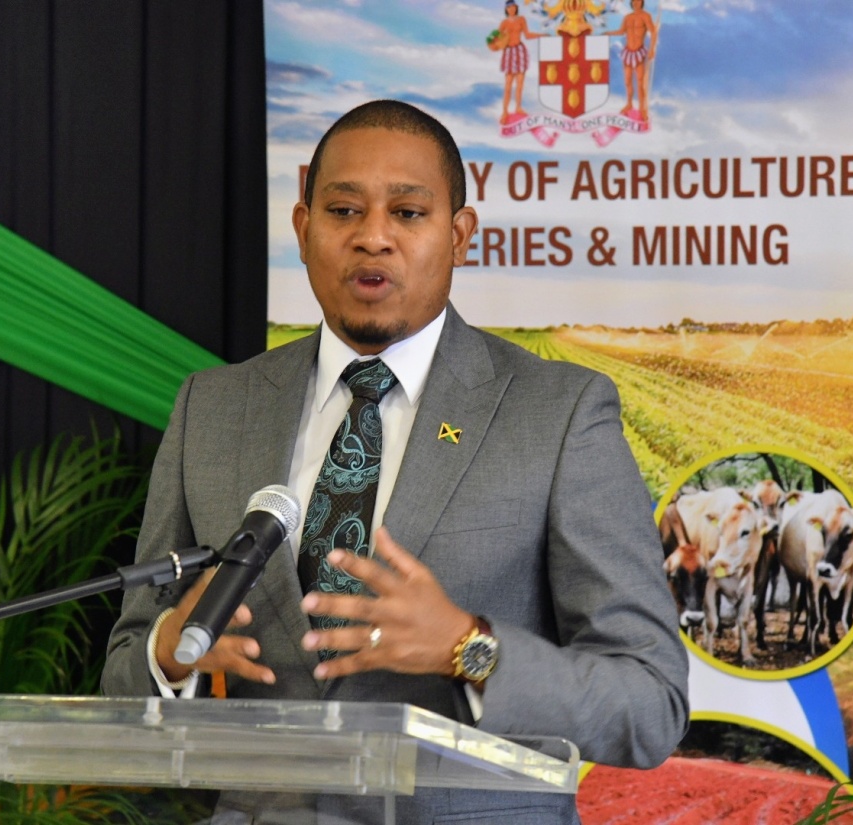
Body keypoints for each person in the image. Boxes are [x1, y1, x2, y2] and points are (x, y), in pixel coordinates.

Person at [102, 99, 688, 824]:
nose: (372, 237)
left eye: (408, 214)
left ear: (459, 234)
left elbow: (649, 700)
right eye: (344, 210)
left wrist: (468, 650)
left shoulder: (558, 414)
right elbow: (127, 667)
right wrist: (170, 654)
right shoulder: (212, 409)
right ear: (303, 227)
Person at [603, 0, 657, 121]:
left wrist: (652, 49)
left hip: (639, 52)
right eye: (633, 2)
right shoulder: (628, 17)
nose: (635, 3)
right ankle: (629, 104)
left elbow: (653, 32)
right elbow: (621, 31)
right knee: (627, 81)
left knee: (640, 82)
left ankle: (642, 109)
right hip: (628, 52)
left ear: (641, 2)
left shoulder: (645, 16)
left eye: (637, 1)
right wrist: (608, 32)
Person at [497, 0, 542, 124]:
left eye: (513, 7)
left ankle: (518, 107)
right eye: (509, 7)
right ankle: (505, 111)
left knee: (520, 83)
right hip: (509, 52)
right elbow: (497, 38)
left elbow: (527, 35)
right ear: (506, 9)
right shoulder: (504, 23)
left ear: (516, 8)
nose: (511, 9)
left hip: (519, 50)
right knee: (508, 84)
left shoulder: (521, 19)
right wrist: (498, 44)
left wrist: (541, 35)